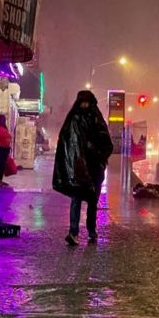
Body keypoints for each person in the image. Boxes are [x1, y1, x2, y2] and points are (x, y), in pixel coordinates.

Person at [52, 90, 113, 246]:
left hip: (93, 168)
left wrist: (97, 154)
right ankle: (73, 232)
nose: (84, 105)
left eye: (87, 102)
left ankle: (91, 231)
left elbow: (105, 142)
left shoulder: (96, 119)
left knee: (92, 202)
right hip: (78, 169)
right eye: (82, 102)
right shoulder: (73, 119)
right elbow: (66, 142)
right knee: (76, 200)